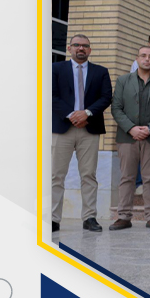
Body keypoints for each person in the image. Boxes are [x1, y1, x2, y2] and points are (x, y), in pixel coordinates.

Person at [52, 34, 112, 233]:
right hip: (62, 128)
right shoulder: (56, 69)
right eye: (77, 45)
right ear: (69, 48)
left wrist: (86, 113)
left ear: (90, 50)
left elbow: (106, 97)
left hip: (89, 128)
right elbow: (51, 95)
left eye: (85, 46)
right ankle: (53, 218)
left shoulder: (101, 72)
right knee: (56, 175)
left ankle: (89, 217)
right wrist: (72, 115)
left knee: (88, 175)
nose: (81, 48)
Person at [110, 46, 150, 231]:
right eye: (143, 56)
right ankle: (123, 216)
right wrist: (131, 128)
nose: (147, 59)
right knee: (127, 177)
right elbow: (116, 108)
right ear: (137, 58)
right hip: (127, 137)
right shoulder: (123, 81)